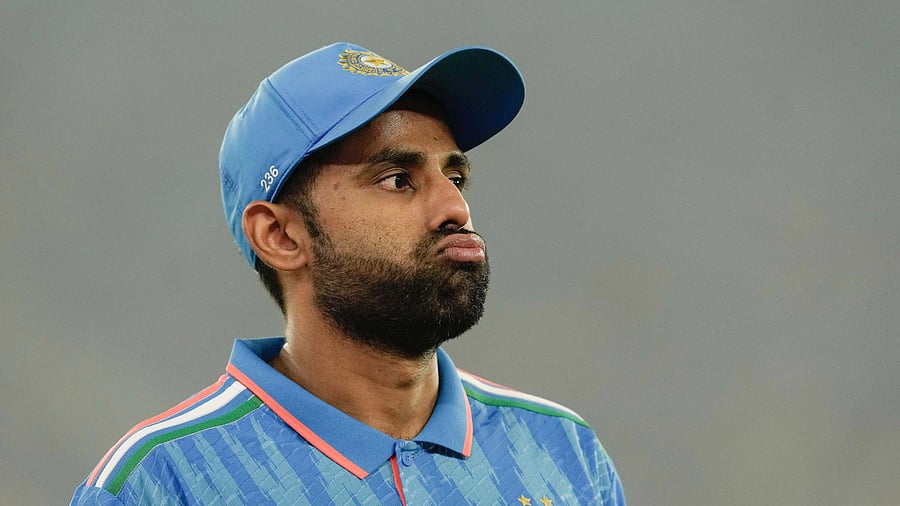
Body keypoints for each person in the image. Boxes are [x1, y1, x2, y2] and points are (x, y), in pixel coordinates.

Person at [71, 42, 625, 505]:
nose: (456, 208)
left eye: (455, 177)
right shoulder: (161, 483)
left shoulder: (564, 451)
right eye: (397, 179)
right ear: (280, 236)